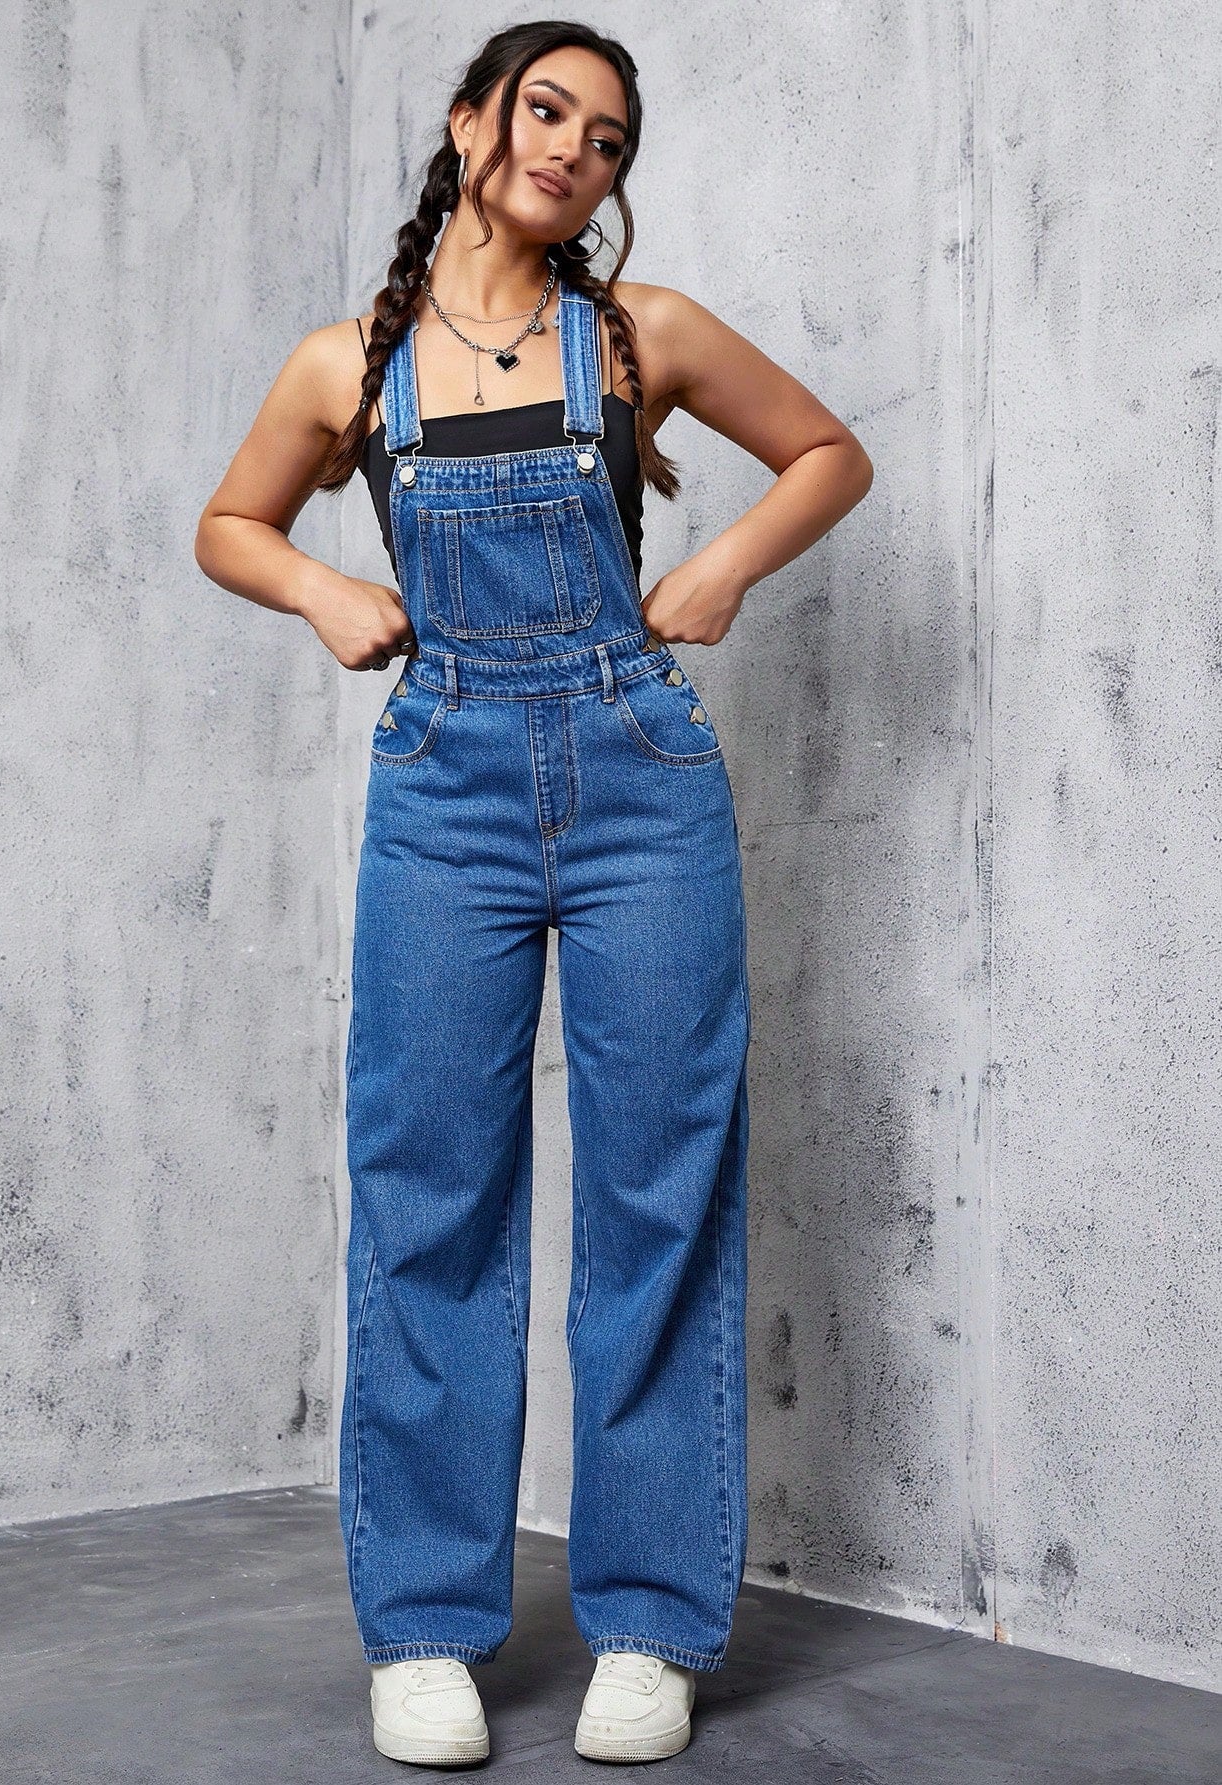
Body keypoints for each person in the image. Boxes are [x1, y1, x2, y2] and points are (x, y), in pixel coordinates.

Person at [194, 20, 872, 1768]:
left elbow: (829, 453)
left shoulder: (644, 334)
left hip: (644, 777)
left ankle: (650, 1623)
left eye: (609, 136)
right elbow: (229, 523)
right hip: (447, 786)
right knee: (429, 1191)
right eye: (547, 110)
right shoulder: (350, 363)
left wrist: (723, 566)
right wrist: (322, 590)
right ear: (470, 122)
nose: (574, 147)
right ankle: (425, 1625)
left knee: (660, 1191)